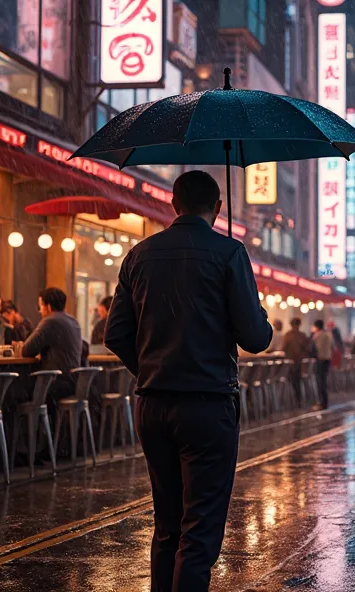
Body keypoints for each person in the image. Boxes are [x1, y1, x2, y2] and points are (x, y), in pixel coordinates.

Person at [104, 170, 272, 591]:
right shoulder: (229, 253)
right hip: (207, 406)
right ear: (217, 208)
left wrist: (151, 370)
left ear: (173, 204)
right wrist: (256, 313)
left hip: (153, 405)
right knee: (198, 531)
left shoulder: (139, 255)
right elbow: (254, 337)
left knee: (167, 525)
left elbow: (115, 334)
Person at [22, 288, 83, 391]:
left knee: (18, 391)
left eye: (41, 306)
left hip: (55, 384)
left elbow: (26, 350)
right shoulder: (74, 321)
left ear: (49, 306)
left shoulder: (50, 321)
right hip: (73, 383)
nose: (39, 311)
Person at [282, 317, 312, 404]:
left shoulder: (288, 335)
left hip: (291, 364)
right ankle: (299, 399)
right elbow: (308, 349)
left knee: (293, 381)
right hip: (301, 364)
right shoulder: (303, 335)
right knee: (297, 382)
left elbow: (283, 348)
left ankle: (294, 400)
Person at [312, 319, 334, 409]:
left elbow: (315, 348)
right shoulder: (328, 335)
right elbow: (333, 346)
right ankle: (325, 401)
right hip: (327, 359)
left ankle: (322, 402)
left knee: (320, 381)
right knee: (323, 381)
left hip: (320, 360)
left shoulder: (317, 336)